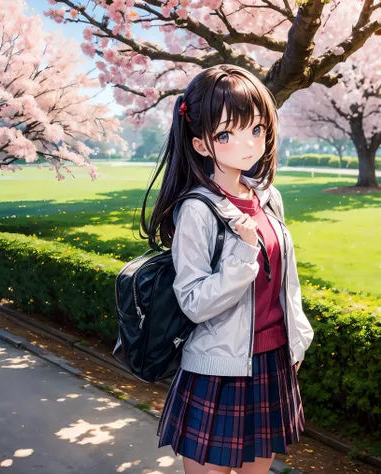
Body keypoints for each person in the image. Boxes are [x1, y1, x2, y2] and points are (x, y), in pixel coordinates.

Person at [139, 64, 315, 474]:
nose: (247, 144)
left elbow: (286, 280)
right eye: (226, 134)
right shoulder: (196, 210)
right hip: (218, 371)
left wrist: (298, 338)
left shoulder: (269, 197)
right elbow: (193, 302)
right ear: (202, 145)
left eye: (255, 128)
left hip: (272, 363)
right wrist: (242, 256)